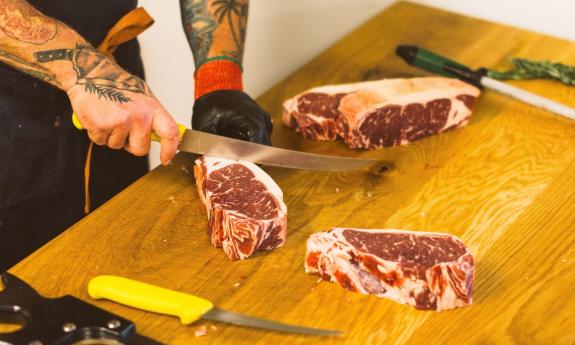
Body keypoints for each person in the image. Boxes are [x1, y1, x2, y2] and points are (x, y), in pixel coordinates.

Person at [0, 0, 272, 271]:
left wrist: (218, 80)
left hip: (121, 104)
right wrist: (89, 73)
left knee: (124, 260)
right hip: (14, 121)